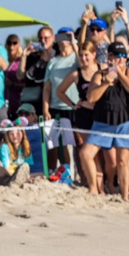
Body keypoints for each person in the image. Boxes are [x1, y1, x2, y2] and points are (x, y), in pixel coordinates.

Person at [80, 41, 129, 200]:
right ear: (109, 56)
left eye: (122, 56)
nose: (119, 60)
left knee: (122, 161)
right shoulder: (99, 74)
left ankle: (125, 196)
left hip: (125, 120)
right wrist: (107, 81)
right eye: (116, 56)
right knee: (86, 154)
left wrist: (119, 73)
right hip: (103, 120)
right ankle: (93, 188)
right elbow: (91, 97)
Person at [56, 41, 99, 184]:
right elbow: (59, 91)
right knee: (83, 148)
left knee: (102, 152)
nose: (83, 58)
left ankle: (104, 182)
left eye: (86, 55)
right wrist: (73, 104)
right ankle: (85, 179)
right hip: (83, 114)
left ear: (94, 55)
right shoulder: (76, 74)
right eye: (80, 55)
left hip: (101, 114)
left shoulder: (102, 69)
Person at [43, 28, 79, 169]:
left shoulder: (76, 58)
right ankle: (60, 173)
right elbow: (47, 87)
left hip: (73, 107)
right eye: (61, 35)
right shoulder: (53, 61)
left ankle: (79, 174)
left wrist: (74, 42)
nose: (64, 39)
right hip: (55, 107)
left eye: (67, 35)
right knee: (56, 145)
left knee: (78, 143)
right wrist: (45, 109)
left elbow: (83, 65)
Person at [17, 26, 55, 114]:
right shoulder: (32, 56)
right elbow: (20, 76)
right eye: (40, 38)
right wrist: (24, 56)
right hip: (32, 103)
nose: (43, 40)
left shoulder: (57, 55)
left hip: (51, 102)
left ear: (53, 38)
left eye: (46, 38)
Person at [0, 118, 33, 187]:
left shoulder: (25, 147)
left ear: (22, 133)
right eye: (11, 134)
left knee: (41, 174)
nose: (15, 136)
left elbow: (28, 166)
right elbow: (6, 168)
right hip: (8, 175)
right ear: (8, 135)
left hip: (22, 175)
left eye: (17, 133)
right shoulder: (4, 147)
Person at [4, 34, 24, 118]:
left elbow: (27, 84)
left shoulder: (21, 61)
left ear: (19, 45)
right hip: (3, 105)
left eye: (14, 43)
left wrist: (12, 84)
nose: (11, 46)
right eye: (9, 43)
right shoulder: (3, 60)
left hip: (18, 102)